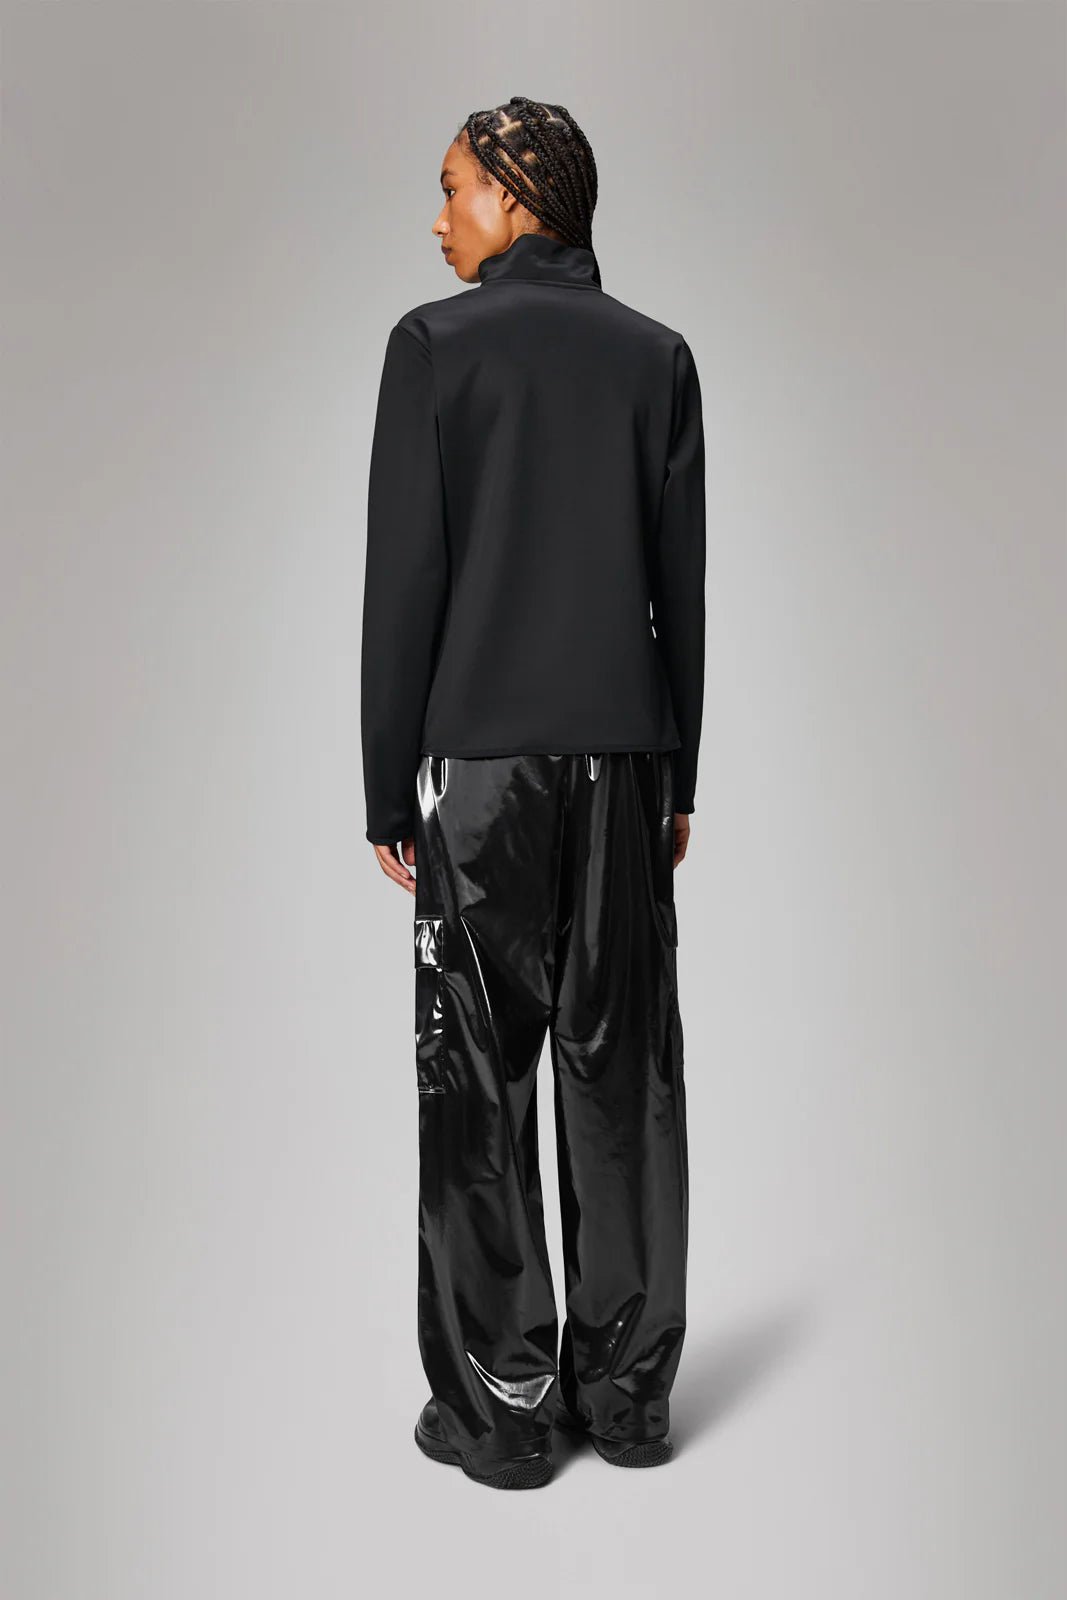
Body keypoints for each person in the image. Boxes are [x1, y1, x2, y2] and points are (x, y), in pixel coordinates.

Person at [360, 95, 705, 1491]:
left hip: (488, 779)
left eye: (453, 186)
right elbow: (679, 593)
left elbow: (407, 585)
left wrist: (387, 783)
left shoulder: (434, 348)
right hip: (623, 764)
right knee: (624, 1080)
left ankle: (501, 1415)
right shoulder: (655, 358)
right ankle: (624, 1403)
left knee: (477, 1083)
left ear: (514, 193)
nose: (439, 216)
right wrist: (679, 773)